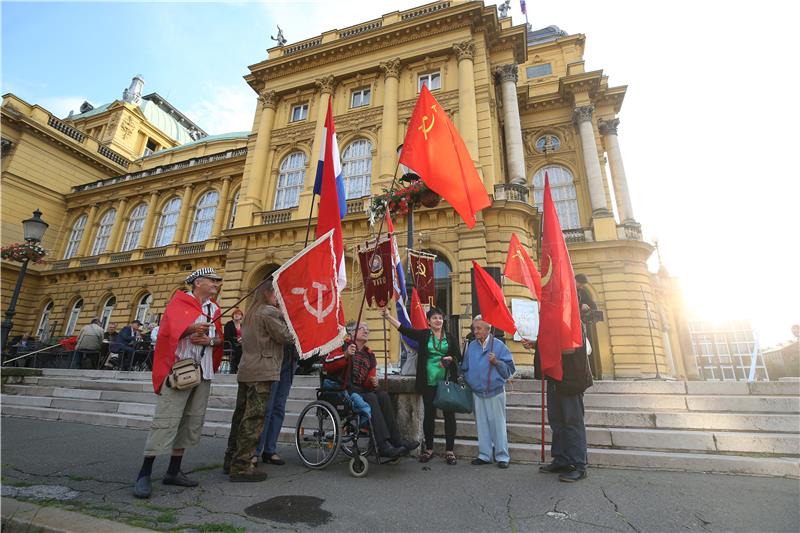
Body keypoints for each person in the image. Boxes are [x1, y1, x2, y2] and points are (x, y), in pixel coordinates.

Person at [133, 267, 224, 499]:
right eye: (212, 280)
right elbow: (166, 334)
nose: (217, 283)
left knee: (190, 421)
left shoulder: (215, 309)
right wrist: (189, 329)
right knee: (166, 419)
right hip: (179, 371)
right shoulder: (179, 303)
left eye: (217, 280)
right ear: (197, 283)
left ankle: (174, 471)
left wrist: (210, 340)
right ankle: (144, 473)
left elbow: (220, 338)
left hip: (202, 373)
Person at [223, 280, 293, 482]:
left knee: (240, 417)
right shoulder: (268, 312)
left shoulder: (251, 314)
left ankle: (231, 460)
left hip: (247, 369)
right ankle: (242, 466)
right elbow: (285, 336)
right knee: (253, 419)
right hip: (263, 371)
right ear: (268, 294)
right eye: (276, 294)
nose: (278, 298)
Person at [323, 322, 418, 458]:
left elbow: (368, 383)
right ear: (351, 332)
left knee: (383, 395)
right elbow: (328, 365)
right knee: (372, 398)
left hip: (360, 390)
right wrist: (345, 355)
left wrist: (372, 382)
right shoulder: (342, 346)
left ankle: (396, 440)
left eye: (368, 329)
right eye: (362, 328)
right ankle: (383, 445)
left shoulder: (369, 354)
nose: (366, 331)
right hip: (344, 390)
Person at [382, 306, 461, 464]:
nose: (438, 320)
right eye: (434, 318)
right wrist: (388, 317)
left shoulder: (451, 337)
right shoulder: (424, 335)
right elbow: (405, 330)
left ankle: (450, 451)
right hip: (428, 382)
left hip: (446, 382)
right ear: (429, 322)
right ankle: (429, 449)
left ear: (443, 320)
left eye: (440, 317)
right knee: (429, 416)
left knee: (449, 416)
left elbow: (459, 356)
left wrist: (451, 359)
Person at [522, 327, 592, 482]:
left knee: (573, 422)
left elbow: (568, 347)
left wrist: (546, 345)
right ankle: (562, 459)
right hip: (555, 378)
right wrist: (537, 344)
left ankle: (579, 465)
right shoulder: (553, 319)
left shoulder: (570, 318)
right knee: (557, 422)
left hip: (570, 379)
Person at [462, 315, 515, 469]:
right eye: (474, 328)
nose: (475, 331)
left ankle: (502, 456)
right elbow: (465, 367)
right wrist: (469, 380)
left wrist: (496, 362)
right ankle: (484, 455)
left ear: (487, 329)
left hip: (495, 391)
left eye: (478, 328)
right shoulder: (471, 346)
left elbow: (509, 371)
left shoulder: (498, 346)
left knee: (498, 424)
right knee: (482, 424)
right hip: (477, 392)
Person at [255, 338, 298, 466]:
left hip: (290, 358)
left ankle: (270, 449)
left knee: (279, 407)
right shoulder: (273, 317)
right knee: (267, 407)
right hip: (273, 358)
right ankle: (255, 451)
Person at [223, 308, 244, 374]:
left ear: (241, 316)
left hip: (240, 343)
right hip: (230, 344)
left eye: (238, 314)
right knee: (239, 349)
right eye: (235, 314)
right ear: (233, 315)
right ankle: (234, 368)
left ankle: (242, 368)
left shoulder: (242, 325)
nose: (237, 315)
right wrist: (237, 340)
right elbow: (227, 336)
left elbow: (245, 335)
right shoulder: (229, 324)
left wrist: (242, 339)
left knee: (247, 348)